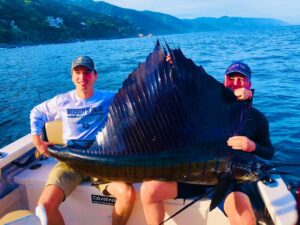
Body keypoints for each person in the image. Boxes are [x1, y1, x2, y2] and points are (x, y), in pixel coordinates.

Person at [140, 61, 274, 225]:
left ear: (249, 84)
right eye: (231, 78)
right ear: (224, 81)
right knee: (149, 190)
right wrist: (176, 68)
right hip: (193, 175)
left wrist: (253, 146)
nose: (236, 83)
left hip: (229, 180)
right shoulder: (207, 109)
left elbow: (268, 153)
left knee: (245, 220)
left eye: (241, 79)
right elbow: (190, 87)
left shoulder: (258, 118)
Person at [30, 56, 135, 225]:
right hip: (70, 162)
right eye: (77, 73)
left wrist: (168, 69)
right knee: (44, 206)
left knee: (127, 194)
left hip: (101, 163)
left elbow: (143, 96)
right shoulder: (62, 101)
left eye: (87, 73)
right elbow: (36, 112)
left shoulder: (109, 98)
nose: (82, 78)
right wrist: (37, 140)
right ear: (72, 76)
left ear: (95, 76)